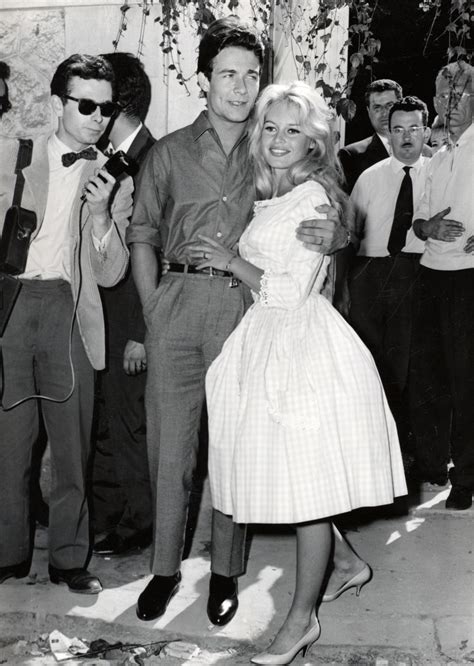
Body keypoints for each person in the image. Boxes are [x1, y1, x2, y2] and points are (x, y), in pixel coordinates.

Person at [127, 16, 349, 626]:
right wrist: (152, 310)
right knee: (170, 451)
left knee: (231, 449)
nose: (241, 86)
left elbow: (323, 190)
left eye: (252, 74)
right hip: (175, 304)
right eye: (228, 73)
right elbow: (142, 233)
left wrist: (339, 233)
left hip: (247, 311)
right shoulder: (169, 151)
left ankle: (225, 573)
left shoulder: (271, 144)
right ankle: (164, 570)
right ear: (205, 80)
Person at [200, 81, 407, 664]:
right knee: (289, 480)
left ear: (315, 141)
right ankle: (345, 562)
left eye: (294, 129)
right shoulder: (276, 193)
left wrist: (229, 261)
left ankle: (300, 619)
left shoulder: (315, 197)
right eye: (270, 127)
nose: (278, 139)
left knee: (308, 495)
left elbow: (290, 291)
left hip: (301, 349)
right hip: (268, 344)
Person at [0, 54, 133, 591]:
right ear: (58, 104)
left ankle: (69, 558)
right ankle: (8, 553)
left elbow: (111, 271)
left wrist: (101, 216)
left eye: (106, 107)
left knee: (72, 443)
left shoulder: (112, 178)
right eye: (86, 105)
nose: (98, 117)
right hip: (11, 306)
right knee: (9, 441)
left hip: (70, 310)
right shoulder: (13, 156)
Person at [92, 52, 155, 556]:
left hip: (131, 318)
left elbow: (153, 252)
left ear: (118, 102)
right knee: (112, 421)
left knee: (131, 423)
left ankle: (140, 524)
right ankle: (112, 516)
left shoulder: (152, 159)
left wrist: (142, 330)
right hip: (104, 317)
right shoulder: (111, 157)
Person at [348, 96, 430, 465]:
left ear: (426, 132)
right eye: (398, 129)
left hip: (416, 274)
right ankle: (376, 455)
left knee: (411, 366)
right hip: (370, 274)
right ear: (388, 133)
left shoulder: (438, 170)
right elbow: (350, 234)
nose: (406, 137)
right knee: (372, 366)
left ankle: (412, 454)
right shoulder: (370, 176)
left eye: (414, 129)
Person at [411, 60, 474, 509]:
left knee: (467, 381)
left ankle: (467, 479)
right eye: (444, 97)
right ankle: (436, 467)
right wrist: (425, 227)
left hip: (468, 281)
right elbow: (418, 221)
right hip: (430, 276)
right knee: (431, 378)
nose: (450, 105)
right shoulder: (436, 158)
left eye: (460, 95)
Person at [338, 79, 403, 193]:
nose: (384, 113)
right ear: (368, 111)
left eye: (389, 105)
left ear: (402, 107)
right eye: (377, 108)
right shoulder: (351, 157)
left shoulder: (425, 152)